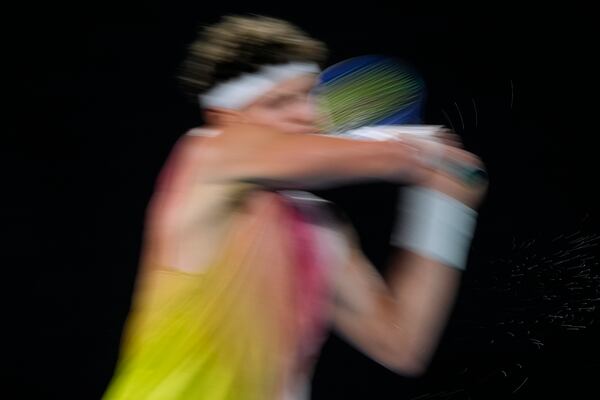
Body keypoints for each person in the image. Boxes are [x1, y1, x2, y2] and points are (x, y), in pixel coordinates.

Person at [102, 15, 487, 400]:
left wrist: (446, 206)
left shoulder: (320, 227)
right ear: (225, 116)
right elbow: (377, 159)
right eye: (279, 102)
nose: (306, 114)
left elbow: (401, 345)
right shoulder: (206, 153)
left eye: (307, 95)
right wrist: (419, 150)